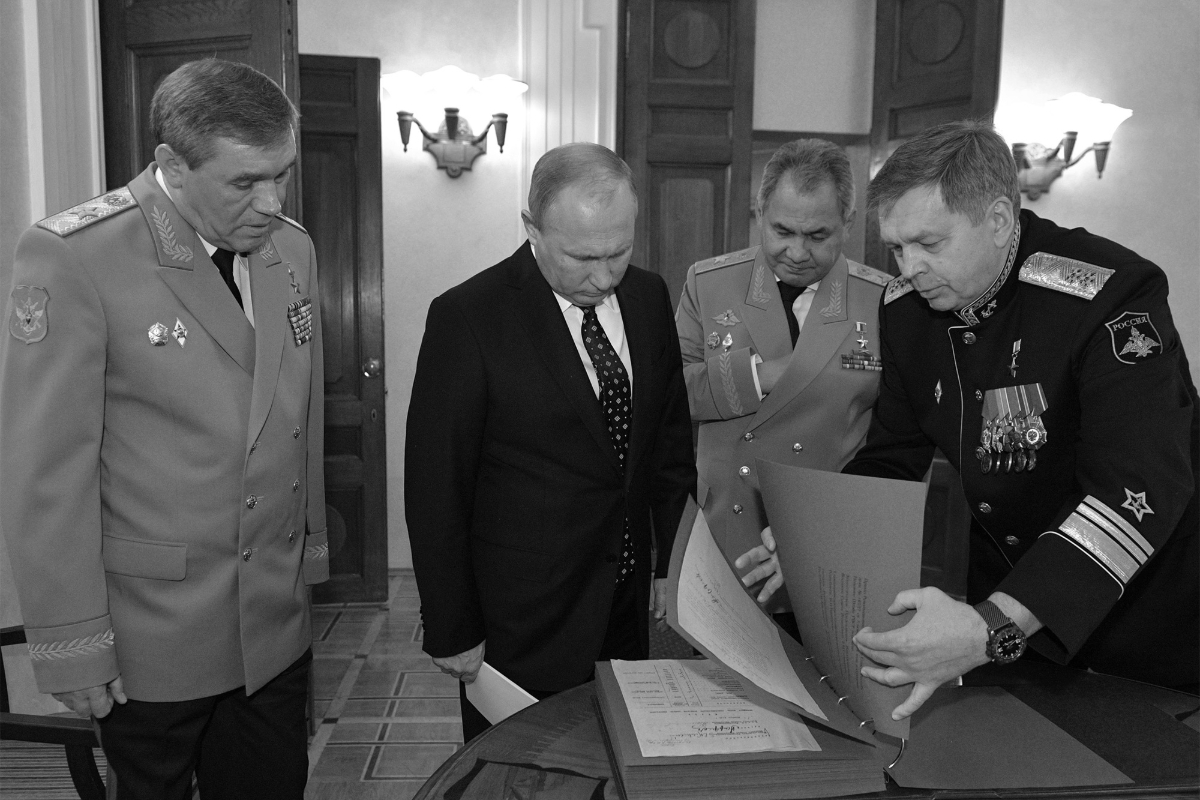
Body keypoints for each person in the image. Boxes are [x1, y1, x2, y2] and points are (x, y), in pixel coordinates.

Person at [739, 120, 1198, 718]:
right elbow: (891, 458)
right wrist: (815, 537)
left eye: (930, 243)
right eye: (898, 248)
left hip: (1132, 618)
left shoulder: (1108, 296)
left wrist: (990, 624)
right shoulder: (907, 310)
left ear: (1000, 219)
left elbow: (1136, 490)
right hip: (1003, 617)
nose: (910, 268)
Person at [1, 59, 328, 798]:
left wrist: (308, 562)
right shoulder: (76, 256)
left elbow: (295, 424)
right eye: (245, 182)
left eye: (282, 173)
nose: (271, 200)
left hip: (272, 628)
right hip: (152, 641)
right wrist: (73, 646)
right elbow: (47, 473)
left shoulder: (291, 250)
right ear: (172, 166)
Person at [405, 142, 696, 742]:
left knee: (616, 763)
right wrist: (451, 624)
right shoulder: (469, 318)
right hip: (521, 620)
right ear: (532, 229)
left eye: (619, 252)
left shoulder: (647, 298)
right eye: (582, 256)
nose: (603, 275)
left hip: (625, 605)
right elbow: (436, 484)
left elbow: (666, 447)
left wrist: (673, 561)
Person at [675, 139, 889, 613]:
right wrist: (759, 375)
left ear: (847, 226)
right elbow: (674, 393)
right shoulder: (708, 285)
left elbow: (895, 436)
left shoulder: (882, 302)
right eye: (783, 230)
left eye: (817, 235)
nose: (796, 251)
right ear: (759, 214)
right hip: (730, 531)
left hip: (830, 531)